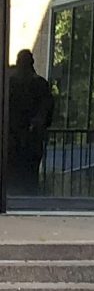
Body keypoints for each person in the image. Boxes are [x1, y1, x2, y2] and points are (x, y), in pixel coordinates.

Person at [6, 50, 53, 191]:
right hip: (31, 140)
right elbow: (46, 113)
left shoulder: (10, 84)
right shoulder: (41, 85)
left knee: (13, 178)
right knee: (29, 178)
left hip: (12, 140)